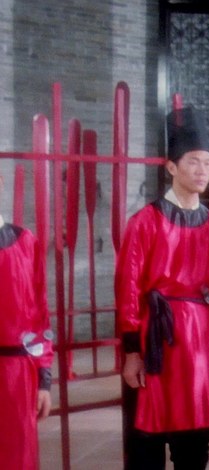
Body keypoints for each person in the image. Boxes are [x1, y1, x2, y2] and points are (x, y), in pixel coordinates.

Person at [116, 106, 209, 470]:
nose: (202, 170)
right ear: (171, 167)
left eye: (208, 163)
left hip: (197, 342)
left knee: (193, 445)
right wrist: (131, 350)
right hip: (156, 338)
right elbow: (128, 288)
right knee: (147, 443)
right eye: (193, 162)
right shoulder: (144, 222)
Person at [0, 174, 53, 470]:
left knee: (17, 459)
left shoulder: (24, 242)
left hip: (16, 377)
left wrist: (44, 379)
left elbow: (39, 316)